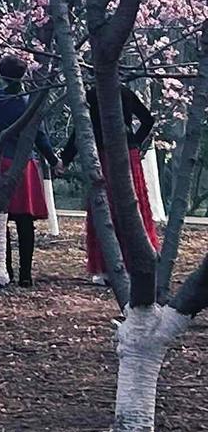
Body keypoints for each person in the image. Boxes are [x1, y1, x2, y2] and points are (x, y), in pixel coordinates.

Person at [0, 54, 60, 287]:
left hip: (2, 163)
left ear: (2, 74)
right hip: (25, 165)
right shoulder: (29, 102)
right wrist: (53, 160)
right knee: (25, 223)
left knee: (1, 221)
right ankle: (26, 275)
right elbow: (39, 135)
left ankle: (8, 270)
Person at [62, 80, 159, 281]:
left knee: (105, 207)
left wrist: (65, 159)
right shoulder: (125, 92)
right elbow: (148, 120)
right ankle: (137, 262)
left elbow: (79, 131)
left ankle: (107, 267)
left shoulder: (91, 95)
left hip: (103, 155)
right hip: (127, 154)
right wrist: (134, 142)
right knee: (134, 206)